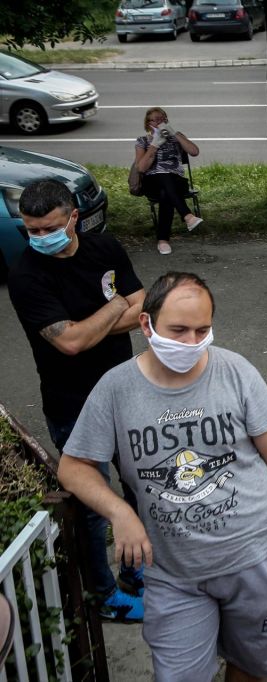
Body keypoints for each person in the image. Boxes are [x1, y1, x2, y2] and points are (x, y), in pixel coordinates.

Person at [57, 272, 267, 682]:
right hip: (173, 571)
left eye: (202, 330)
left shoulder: (236, 372)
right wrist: (120, 513)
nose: (190, 342)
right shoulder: (115, 390)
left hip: (253, 554)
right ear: (147, 325)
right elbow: (73, 466)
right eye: (177, 330)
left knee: (251, 666)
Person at [7, 179, 146, 622]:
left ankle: (134, 570)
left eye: (48, 227)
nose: (38, 237)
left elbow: (143, 307)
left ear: (73, 218)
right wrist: (112, 310)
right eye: (30, 229)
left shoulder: (105, 248)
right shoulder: (27, 275)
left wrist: (91, 327)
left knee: (138, 489)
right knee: (90, 508)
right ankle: (104, 596)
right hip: (73, 406)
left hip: (124, 395)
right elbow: (69, 343)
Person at [134, 107, 202, 255]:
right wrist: (154, 145)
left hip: (177, 180)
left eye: (162, 118)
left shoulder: (176, 137)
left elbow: (194, 151)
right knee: (163, 177)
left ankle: (163, 240)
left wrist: (175, 134)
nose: (159, 121)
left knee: (166, 191)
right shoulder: (142, 141)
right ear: (148, 123)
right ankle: (187, 216)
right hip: (152, 182)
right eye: (155, 119)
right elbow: (141, 168)